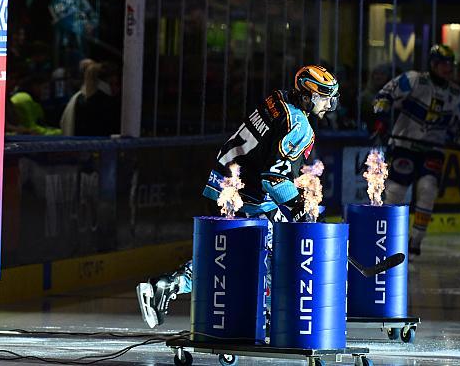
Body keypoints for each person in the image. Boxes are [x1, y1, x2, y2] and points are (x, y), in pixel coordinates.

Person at [136, 65, 340, 328]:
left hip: (222, 182)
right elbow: (274, 179)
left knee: (228, 254)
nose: (330, 104)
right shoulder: (299, 125)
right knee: (268, 251)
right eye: (324, 97)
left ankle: (173, 285)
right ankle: (260, 314)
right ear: (307, 96)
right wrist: (300, 208)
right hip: (247, 195)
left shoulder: (277, 99)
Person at [372, 44, 460, 256]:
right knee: (395, 191)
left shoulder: (456, 94)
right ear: (433, 64)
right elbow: (384, 95)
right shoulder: (414, 80)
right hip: (404, 146)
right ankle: (383, 239)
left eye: (450, 64)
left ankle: (415, 241)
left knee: (428, 189)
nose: (447, 68)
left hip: (433, 149)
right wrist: (381, 120)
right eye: (443, 64)